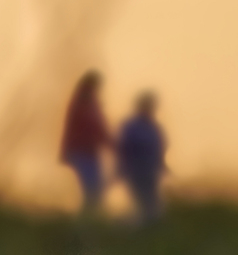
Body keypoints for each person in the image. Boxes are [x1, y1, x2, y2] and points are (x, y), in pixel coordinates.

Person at [60, 71, 113, 214]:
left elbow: (98, 128)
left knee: (94, 189)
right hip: (83, 151)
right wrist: (111, 144)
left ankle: (89, 219)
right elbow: (94, 127)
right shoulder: (85, 102)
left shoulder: (87, 101)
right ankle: (87, 221)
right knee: (93, 189)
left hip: (87, 151)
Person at [116, 91, 167, 224]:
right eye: (147, 106)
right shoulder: (131, 126)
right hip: (136, 170)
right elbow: (123, 148)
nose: (150, 109)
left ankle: (150, 228)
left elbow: (159, 148)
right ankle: (140, 229)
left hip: (151, 171)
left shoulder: (153, 127)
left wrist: (162, 165)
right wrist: (121, 169)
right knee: (141, 203)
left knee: (153, 203)